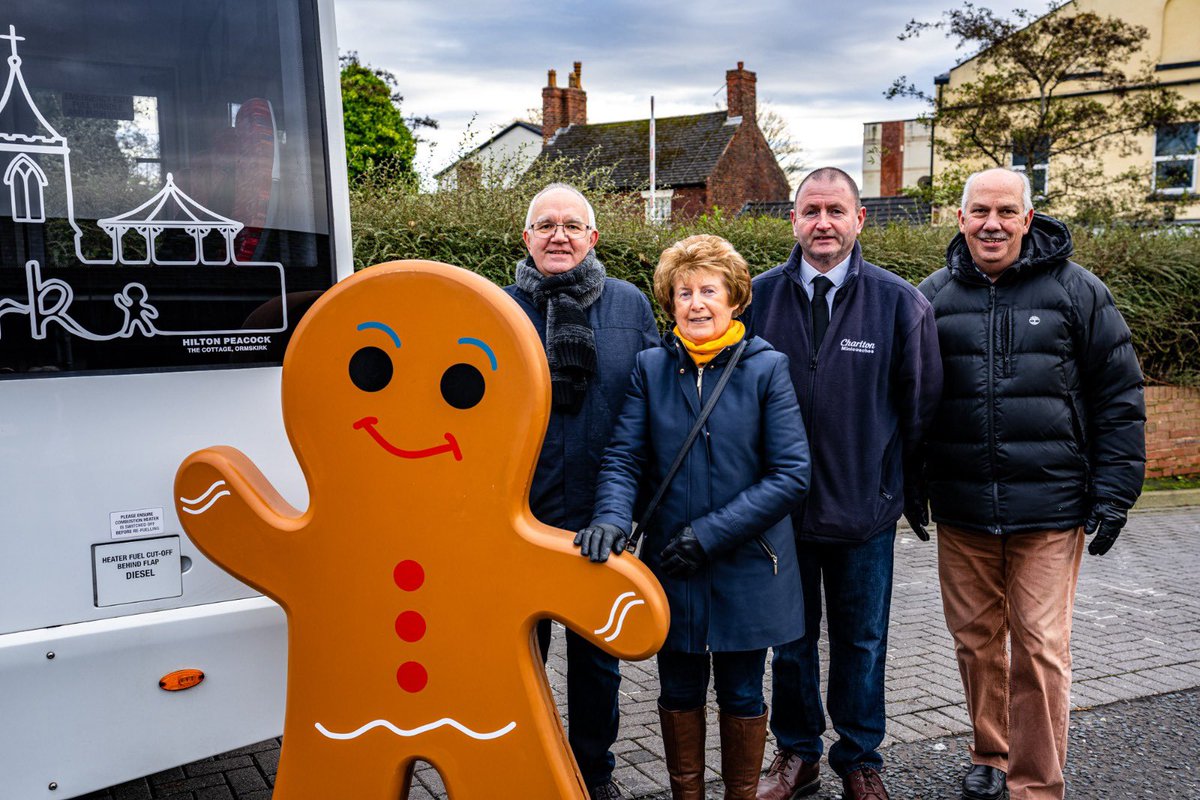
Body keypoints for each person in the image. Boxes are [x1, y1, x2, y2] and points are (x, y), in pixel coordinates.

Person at [917, 168, 1145, 800]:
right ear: (959, 219)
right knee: (976, 643)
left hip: (1050, 507)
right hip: (962, 507)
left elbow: (1118, 395)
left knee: (1040, 647)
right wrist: (911, 483)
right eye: (980, 211)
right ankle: (990, 753)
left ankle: (1036, 784)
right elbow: (909, 402)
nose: (993, 224)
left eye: (1006, 212)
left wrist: (1116, 491)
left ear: (1028, 216)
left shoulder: (1078, 291)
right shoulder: (930, 296)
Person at [578, 234, 810, 800]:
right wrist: (610, 515)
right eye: (684, 292)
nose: (697, 303)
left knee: (742, 694)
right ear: (670, 302)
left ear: (735, 299)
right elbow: (624, 456)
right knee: (678, 691)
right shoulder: (650, 368)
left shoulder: (766, 368)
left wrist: (709, 534)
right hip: (672, 567)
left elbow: (790, 473)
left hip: (747, 563)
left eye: (710, 290)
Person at [744, 167, 942, 800]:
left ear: (860, 220)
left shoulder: (898, 302)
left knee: (862, 642)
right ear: (793, 221)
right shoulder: (758, 298)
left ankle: (859, 757)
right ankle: (796, 755)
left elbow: (920, 409)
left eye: (835, 210)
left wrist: (903, 495)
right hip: (781, 515)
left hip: (864, 513)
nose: (821, 222)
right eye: (810, 211)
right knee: (791, 645)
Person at [504, 182, 660, 800]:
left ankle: (596, 772)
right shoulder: (500, 307)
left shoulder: (629, 305)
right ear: (526, 239)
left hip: (605, 514)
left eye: (572, 225)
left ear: (593, 238)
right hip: (523, 515)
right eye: (545, 225)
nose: (559, 235)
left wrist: (632, 508)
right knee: (522, 656)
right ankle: (528, 766)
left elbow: (649, 410)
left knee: (598, 661)